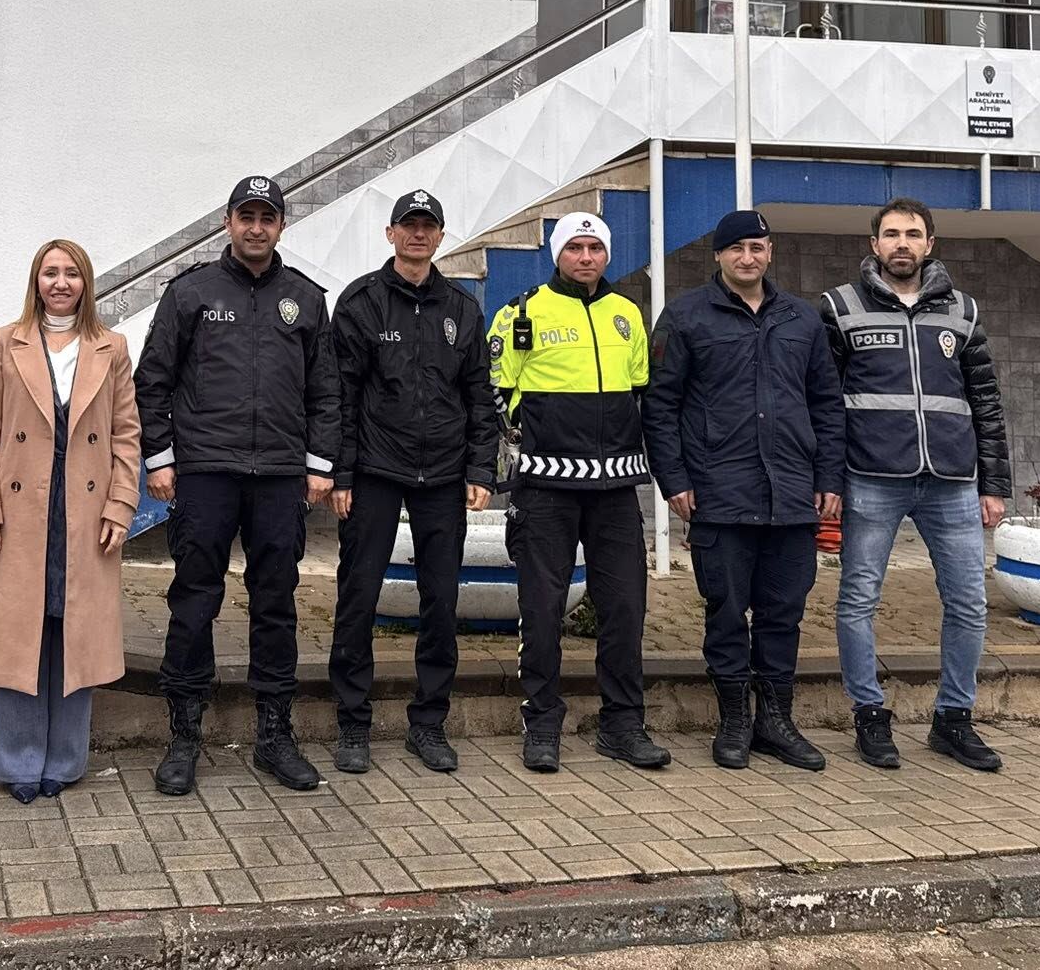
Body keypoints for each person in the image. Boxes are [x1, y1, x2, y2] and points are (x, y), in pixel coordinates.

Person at [135, 174, 340, 796]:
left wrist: (319, 466)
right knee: (194, 599)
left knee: (276, 602)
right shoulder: (191, 291)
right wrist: (159, 459)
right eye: (246, 216)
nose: (256, 227)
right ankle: (184, 737)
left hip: (279, 476)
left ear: (281, 226)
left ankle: (275, 736)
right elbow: (153, 381)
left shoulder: (305, 298)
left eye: (266, 218)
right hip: (205, 472)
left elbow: (325, 391)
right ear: (228, 222)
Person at [645, 209, 845, 773]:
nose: (747, 258)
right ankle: (733, 720)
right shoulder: (685, 317)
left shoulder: (802, 320)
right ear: (719, 255)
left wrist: (829, 477)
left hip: (792, 498)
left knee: (784, 614)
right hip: (718, 495)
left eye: (757, 247)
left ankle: (775, 723)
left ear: (770, 252)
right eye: (737, 248)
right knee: (727, 613)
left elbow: (828, 405)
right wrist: (674, 480)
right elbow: (660, 405)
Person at [822, 198, 1012, 773]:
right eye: (891, 234)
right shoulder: (840, 308)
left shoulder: (963, 311)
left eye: (912, 234)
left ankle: (953, 719)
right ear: (874, 244)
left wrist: (994, 484)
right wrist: (828, 481)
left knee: (969, 602)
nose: (901, 243)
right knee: (858, 600)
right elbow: (823, 405)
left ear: (930, 244)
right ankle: (869, 716)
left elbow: (986, 401)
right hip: (870, 479)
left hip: (953, 482)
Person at [0, 239, 142, 803]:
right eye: (50, 273)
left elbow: (126, 435)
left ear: (87, 283)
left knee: (73, 629)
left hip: (84, 510)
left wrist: (121, 504)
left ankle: (64, 760)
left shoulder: (111, 347)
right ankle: (16, 762)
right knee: (20, 631)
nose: (61, 283)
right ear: (35, 281)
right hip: (20, 510)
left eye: (72, 273)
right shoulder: (4, 342)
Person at [486, 212, 670, 776]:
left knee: (625, 609)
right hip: (546, 487)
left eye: (594, 247)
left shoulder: (627, 314)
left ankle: (623, 725)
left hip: (616, 489)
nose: (585, 257)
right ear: (557, 254)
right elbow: (494, 393)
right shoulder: (520, 313)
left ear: (606, 254)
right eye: (575, 247)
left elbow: (642, 392)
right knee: (541, 610)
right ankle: (542, 723)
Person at [326, 190, 498, 775]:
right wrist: (342, 474)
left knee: (441, 601)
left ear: (441, 237)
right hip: (375, 472)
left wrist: (481, 469)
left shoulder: (462, 308)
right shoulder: (361, 302)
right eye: (409, 225)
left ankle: (428, 723)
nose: (418, 234)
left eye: (429, 226)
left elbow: (479, 395)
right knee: (358, 597)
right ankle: (353, 723)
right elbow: (342, 396)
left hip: (444, 475)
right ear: (391, 233)